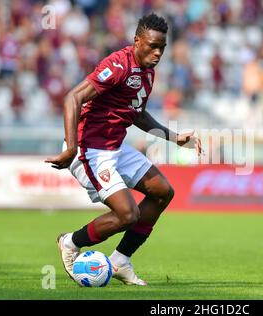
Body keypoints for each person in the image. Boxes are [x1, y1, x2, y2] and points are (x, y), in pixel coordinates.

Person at [45, 13, 202, 286]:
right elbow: (74, 97)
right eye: (152, 46)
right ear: (137, 41)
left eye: (162, 47)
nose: (157, 52)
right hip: (88, 149)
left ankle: (119, 261)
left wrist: (174, 137)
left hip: (115, 146)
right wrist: (71, 147)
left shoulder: (147, 72)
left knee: (163, 192)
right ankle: (71, 242)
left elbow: (137, 115)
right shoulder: (118, 64)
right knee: (128, 215)